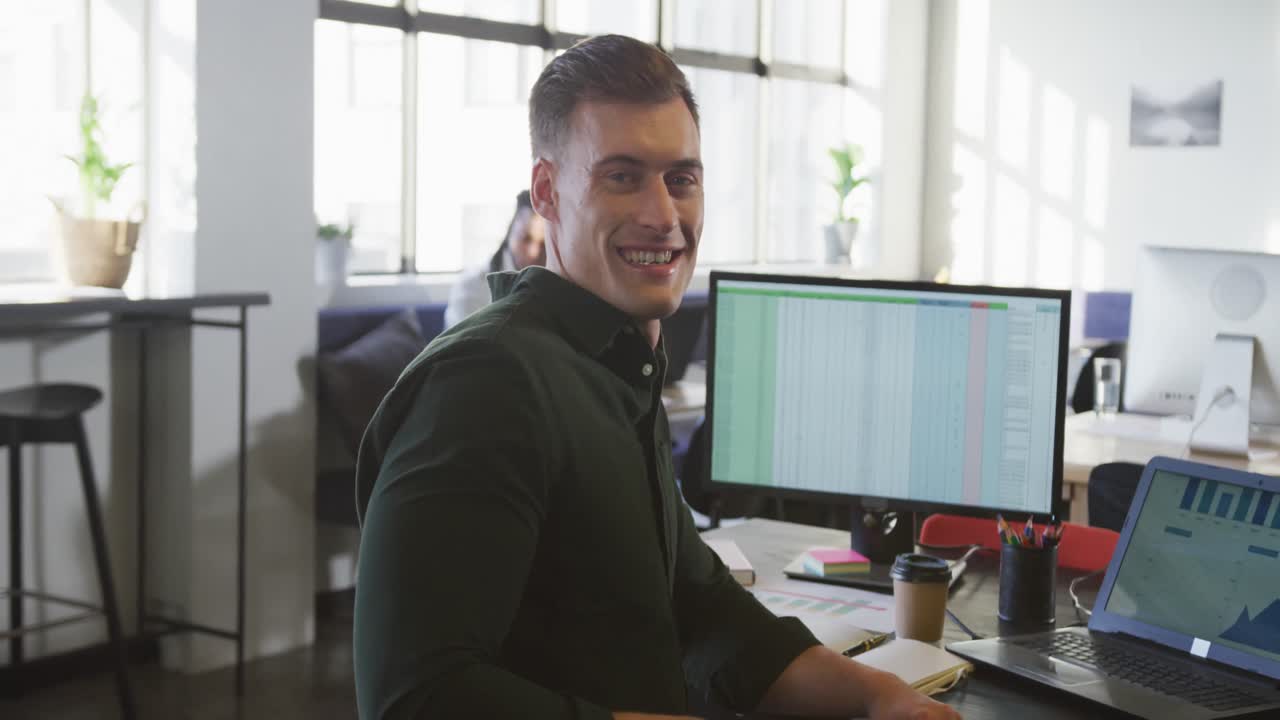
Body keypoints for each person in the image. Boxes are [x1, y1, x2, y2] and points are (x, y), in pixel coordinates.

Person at [353, 34, 961, 720]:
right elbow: (416, 698)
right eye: (622, 176)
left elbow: (701, 604)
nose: (664, 215)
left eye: (682, 178)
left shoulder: (613, 365)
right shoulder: (487, 383)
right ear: (548, 193)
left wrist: (881, 697)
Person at [443, 190, 546, 328]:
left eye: (543, 244)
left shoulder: (551, 285)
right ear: (510, 232)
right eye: (525, 238)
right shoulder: (471, 288)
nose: (534, 253)